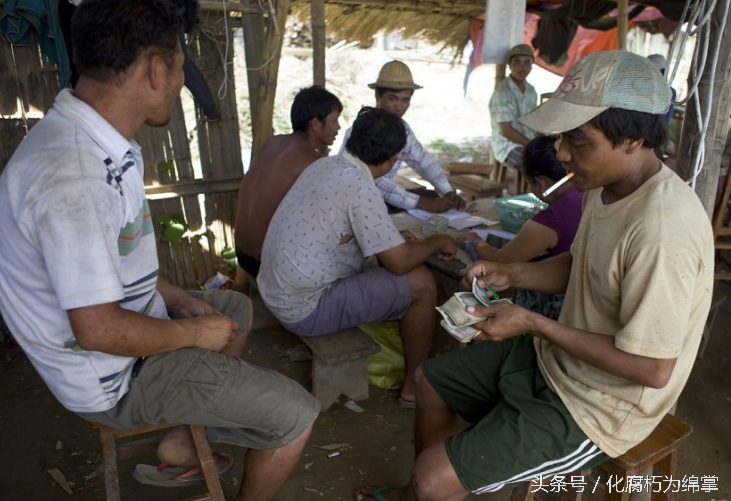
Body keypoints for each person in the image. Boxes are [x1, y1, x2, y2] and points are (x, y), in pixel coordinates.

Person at [356, 50, 714, 501]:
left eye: (578, 141)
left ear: (632, 140)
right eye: (563, 138)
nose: (562, 153)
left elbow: (652, 368)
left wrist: (532, 322)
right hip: (558, 360)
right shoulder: (602, 190)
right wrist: (513, 272)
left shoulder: (663, 228)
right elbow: (585, 266)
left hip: (602, 405)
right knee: (429, 381)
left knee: (432, 476)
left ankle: (427, 490)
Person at [0, 1, 319, 499]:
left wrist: (177, 300)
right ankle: (203, 423)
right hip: (111, 380)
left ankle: (181, 441)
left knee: (230, 307)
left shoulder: (97, 141)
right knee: (297, 415)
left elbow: (119, 260)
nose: (179, 81)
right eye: (179, 65)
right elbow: (98, 330)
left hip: (111, 343)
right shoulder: (76, 176)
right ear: (155, 69)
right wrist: (189, 332)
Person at [259, 107, 457, 407]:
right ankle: (413, 388)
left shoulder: (326, 165)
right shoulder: (360, 186)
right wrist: (436, 242)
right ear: (392, 160)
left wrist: (391, 240)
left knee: (396, 265)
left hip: (276, 292)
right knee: (422, 283)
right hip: (305, 307)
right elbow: (399, 262)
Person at [457, 135, 583, 319]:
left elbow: (501, 261)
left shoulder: (549, 221)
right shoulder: (590, 193)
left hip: (565, 306)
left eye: (529, 183)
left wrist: (475, 242)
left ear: (540, 183)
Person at [235, 86, 343, 278]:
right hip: (263, 263)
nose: (338, 128)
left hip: (241, 253)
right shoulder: (314, 163)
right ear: (315, 123)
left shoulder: (273, 143)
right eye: (335, 121)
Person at [339, 61, 466, 213]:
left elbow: (422, 160)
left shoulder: (403, 129)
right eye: (392, 98)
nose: (399, 107)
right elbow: (372, 178)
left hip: (377, 195)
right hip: (353, 200)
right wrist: (422, 202)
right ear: (377, 95)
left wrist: (447, 191)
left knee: (430, 195)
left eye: (405, 100)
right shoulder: (361, 131)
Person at [488, 43, 538, 171]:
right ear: (509, 65)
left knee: (557, 158)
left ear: (532, 66)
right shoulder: (503, 92)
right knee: (537, 164)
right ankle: (534, 190)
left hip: (528, 142)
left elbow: (533, 122)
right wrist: (532, 145)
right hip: (507, 146)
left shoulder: (531, 91)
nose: (522, 67)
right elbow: (506, 131)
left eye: (527, 63)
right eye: (517, 62)